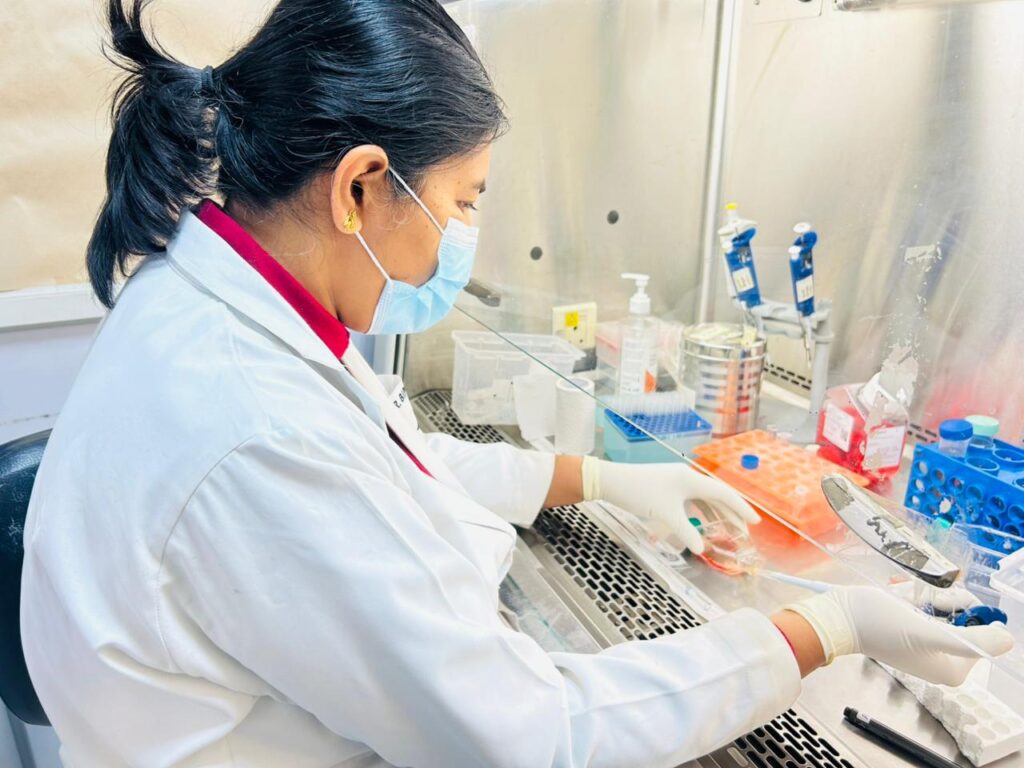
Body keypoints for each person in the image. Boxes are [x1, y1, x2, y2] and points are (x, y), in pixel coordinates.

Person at [21, 1, 1012, 767]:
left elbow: (383, 464)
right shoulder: (250, 422)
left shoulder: (222, 294)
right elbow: (531, 736)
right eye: (461, 202)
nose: (461, 239)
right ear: (360, 187)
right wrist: (818, 628)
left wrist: (599, 478)